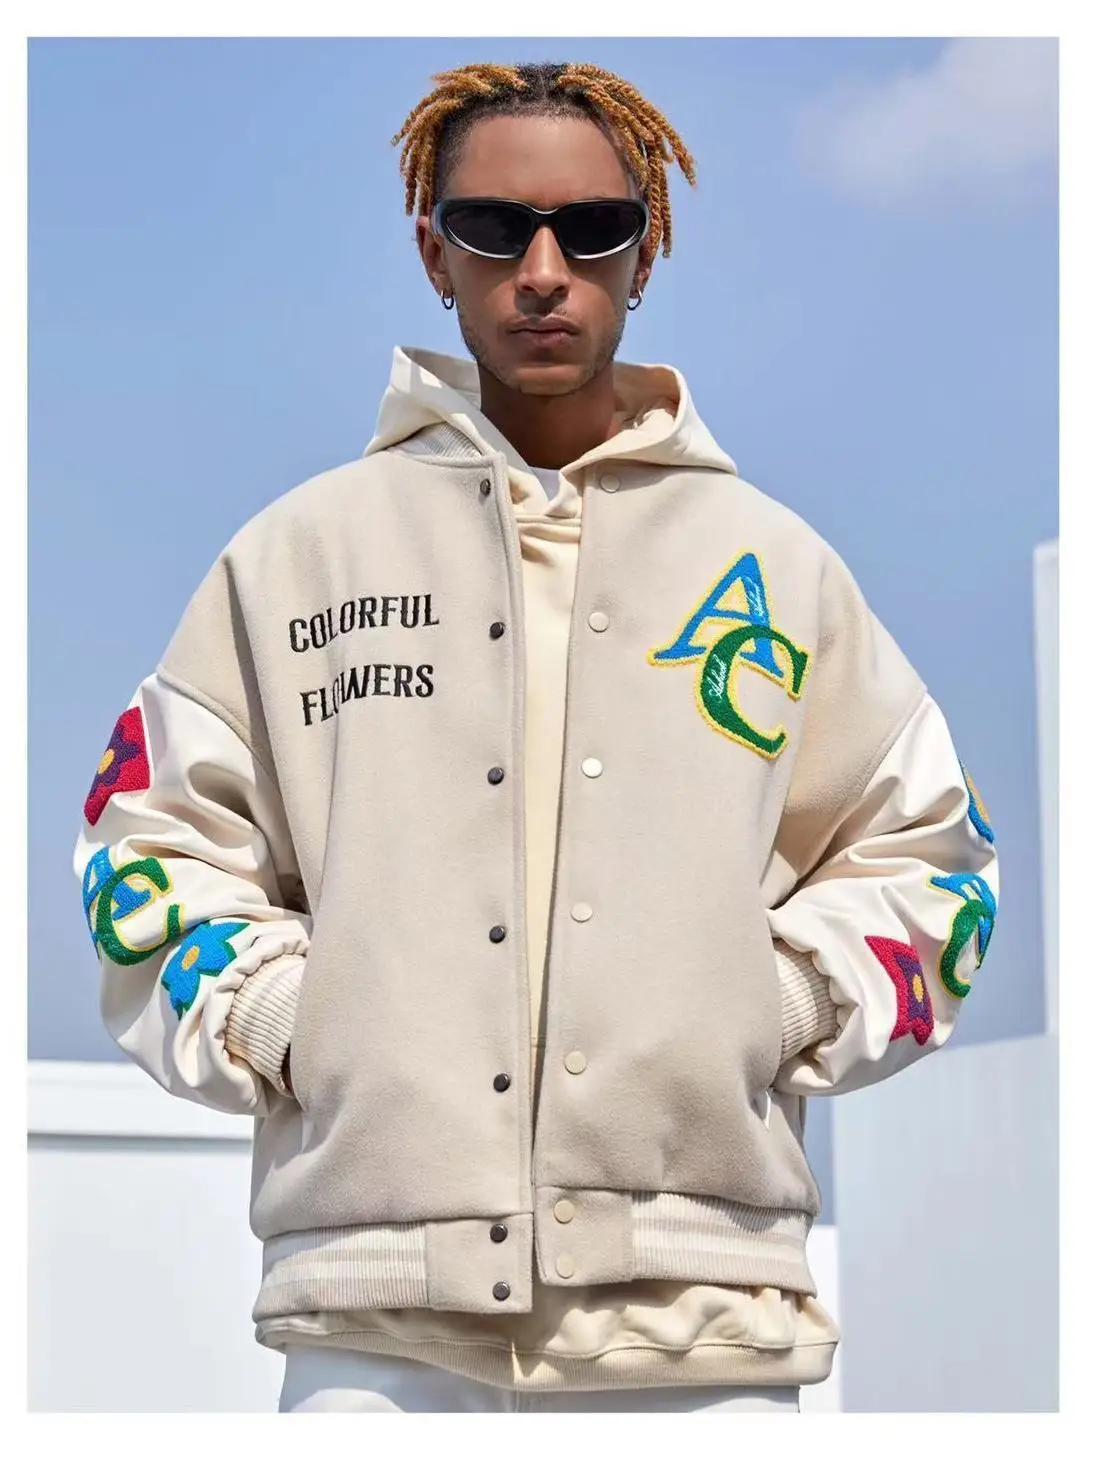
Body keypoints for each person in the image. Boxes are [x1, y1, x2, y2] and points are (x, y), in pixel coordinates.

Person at [74, 60, 1000, 1414]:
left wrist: (774, 1007)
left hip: (707, 1322)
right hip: (373, 1322)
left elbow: (932, 864)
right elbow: (145, 847)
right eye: (496, 228)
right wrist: (294, 1023)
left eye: (595, 229)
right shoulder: (295, 559)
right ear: (433, 252)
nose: (545, 271)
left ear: (647, 251)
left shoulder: (778, 572)